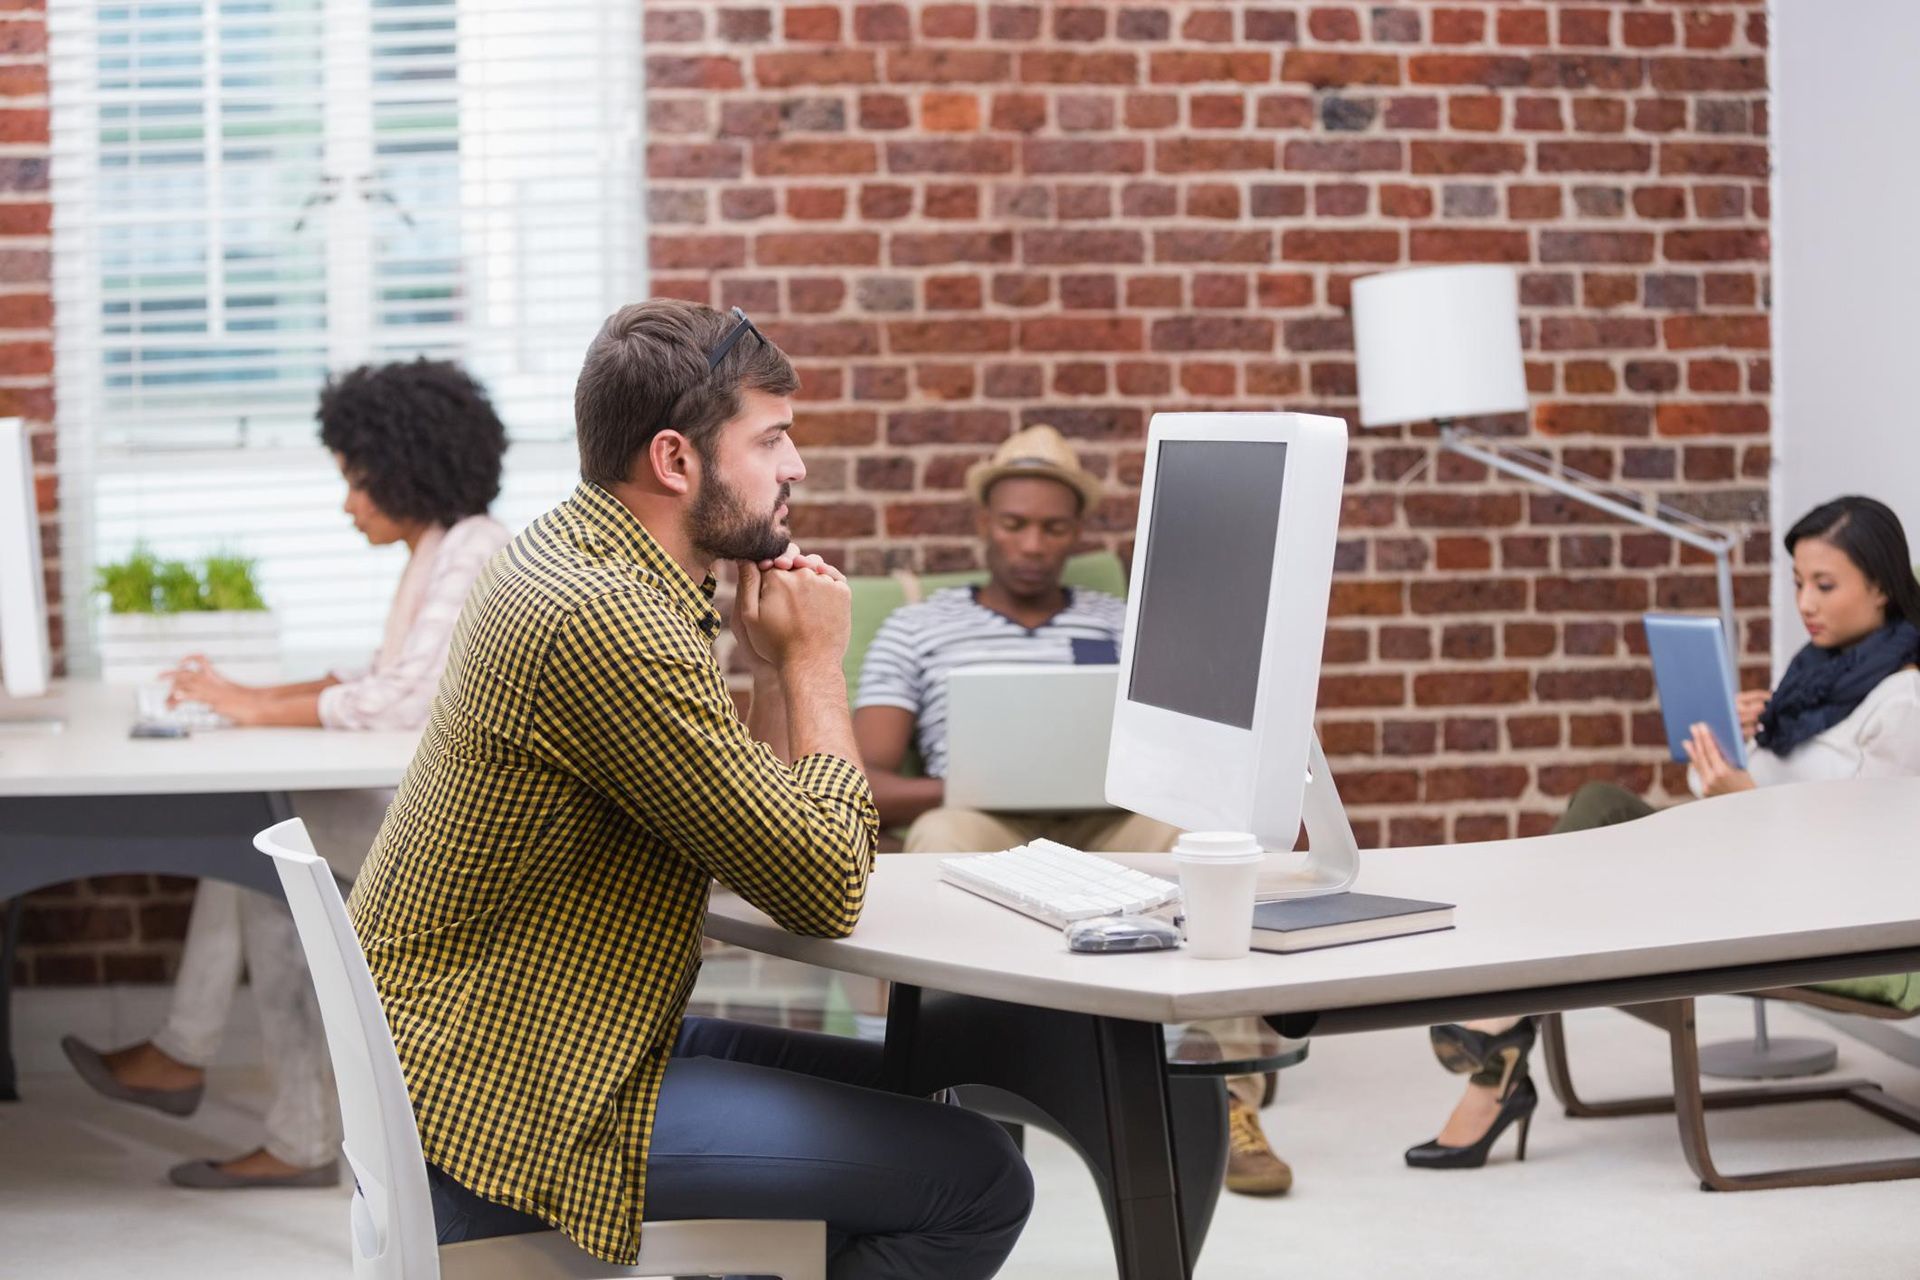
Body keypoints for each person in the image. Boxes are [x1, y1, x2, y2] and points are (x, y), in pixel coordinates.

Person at [347, 300, 1032, 1278]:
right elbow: (826, 882)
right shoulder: (606, 620)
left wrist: (762, 668)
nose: (796, 466)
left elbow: (749, 831)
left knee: (935, 1093)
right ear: (676, 460)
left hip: (517, 1037)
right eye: (773, 438)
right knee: (977, 1176)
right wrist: (816, 667)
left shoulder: (580, 559)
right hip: (511, 1099)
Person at [61, 359, 513, 1188]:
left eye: (357, 482)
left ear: (406, 468)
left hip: (456, 841)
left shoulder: (475, 553)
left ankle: (196, 1064)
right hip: (422, 813)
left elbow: (396, 701)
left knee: (258, 837)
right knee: (262, 861)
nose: (348, 504)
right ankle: (265, 1112)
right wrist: (247, 696)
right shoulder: (443, 550)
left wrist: (252, 707)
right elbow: (379, 675)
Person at [1407, 495, 1920, 1171]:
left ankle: (1495, 1029)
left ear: (1882, 586)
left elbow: (1878, 861)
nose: (1806, 603)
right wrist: (1735, 755)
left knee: (1600, 851)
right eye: (1798, 582)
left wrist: (1749, 800)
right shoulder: (1812, 685)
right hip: (1744, 872)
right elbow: (1752, 799)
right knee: (1599, 805)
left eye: (1825, 585)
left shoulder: (1901, 703)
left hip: (1817, 915)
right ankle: (1498, 1041)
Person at [851, 424, 1292, 1198]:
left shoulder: (1121, 623)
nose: (1032, 544)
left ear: (1077, 534)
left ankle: (1229, 1094)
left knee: (1208, 843)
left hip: (1109, 818)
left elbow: (1186, 746)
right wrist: (969, 788)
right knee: (939, 836)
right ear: (984, 524)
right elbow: (864, 777)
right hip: (984, 823)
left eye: (1053, 527)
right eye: (1014, 524)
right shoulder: (919, 626)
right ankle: (935, 1089)